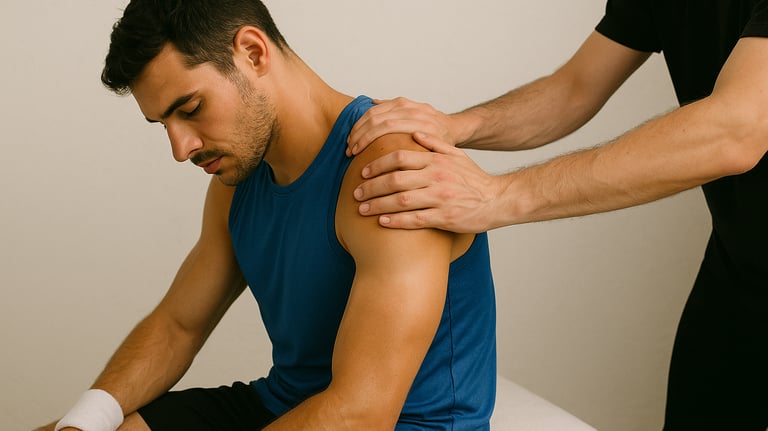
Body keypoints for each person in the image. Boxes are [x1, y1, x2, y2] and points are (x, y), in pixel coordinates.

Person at [35, 1, 496, 430]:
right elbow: (178, 326)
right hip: (283, 407)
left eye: (191, 109)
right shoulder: (236, 182)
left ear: (253, 53)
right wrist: (83, 422)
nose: (181, 149)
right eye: (165, 125)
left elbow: (362, 411)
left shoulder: (391, 171)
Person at [346, 1, 768, 430]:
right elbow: (574, 89)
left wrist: (498, 196)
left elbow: (737, 128)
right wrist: (455, 126)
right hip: (739, 268)